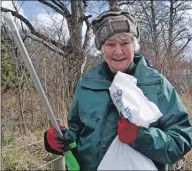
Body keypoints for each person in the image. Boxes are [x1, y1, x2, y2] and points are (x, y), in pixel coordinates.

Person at [44, 10, 192, 171]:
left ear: (134, 46)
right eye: (110, 44)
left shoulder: (157, 85)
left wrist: (141, 137)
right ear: (102, 48)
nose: (118, 51)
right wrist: (58, 140)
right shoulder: (86, 84)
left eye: (124, 43)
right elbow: (76, 136)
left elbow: (182, 139)